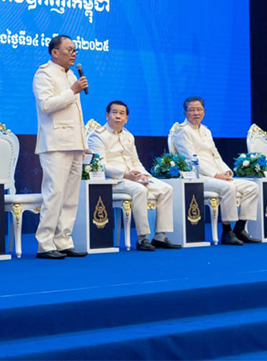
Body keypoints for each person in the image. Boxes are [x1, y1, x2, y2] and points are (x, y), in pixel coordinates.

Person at [88, 101, 180, 251]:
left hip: (133, 178)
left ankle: (160, 236)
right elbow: (100, 165)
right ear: (107, 115)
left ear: (126, 118)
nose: (118, 116)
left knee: (166, 189)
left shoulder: (129, 136)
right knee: (140, 190)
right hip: (113, 180)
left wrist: (144, 175)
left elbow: (136, 161)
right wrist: (125, 175)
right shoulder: (97, 136)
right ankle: (143, 238)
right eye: (114, 112)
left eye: (122, 113)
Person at [173, 97, 260, 245]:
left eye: (199, 109)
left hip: (217, 175)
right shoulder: (182, 131)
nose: (196, 113)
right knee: (228, 187)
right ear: (185, 113)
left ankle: (240, 229)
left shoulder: (206, 130)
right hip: (199, 176)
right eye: (192, 110)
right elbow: (191, 160)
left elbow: (216, 155)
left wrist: (226, 171)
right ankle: (226, 231)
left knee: (252, 187)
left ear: (204, 111)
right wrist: (215, 175)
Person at [33, 35, 89, 259]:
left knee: (70, 196)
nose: (73, 54)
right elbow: (46, 105)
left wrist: (83, 143)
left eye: (75, 50)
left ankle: (63, 240)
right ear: (55, 52)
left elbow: (76, 113)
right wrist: (72, 91)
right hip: (55, 143)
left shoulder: (71, 75)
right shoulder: (44, 73)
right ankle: (45, 243)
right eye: (69, 50)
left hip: (75, 143)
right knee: (54, 193)